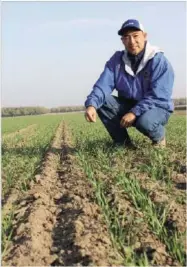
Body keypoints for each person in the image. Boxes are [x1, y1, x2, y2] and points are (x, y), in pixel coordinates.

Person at [84, 19, 174, 148]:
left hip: (157, 106)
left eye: (135, 36)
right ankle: (124, 144)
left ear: (144, 36)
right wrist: (92, 105)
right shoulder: (117, 61)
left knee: (145, 122)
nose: (131, 41)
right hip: (130, 103)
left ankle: (159, 137)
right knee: (102, 101)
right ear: (122, 41)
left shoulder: (158, 61)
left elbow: (159, 95)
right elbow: (103, 85)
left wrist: (134, 112)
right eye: (126, 37)